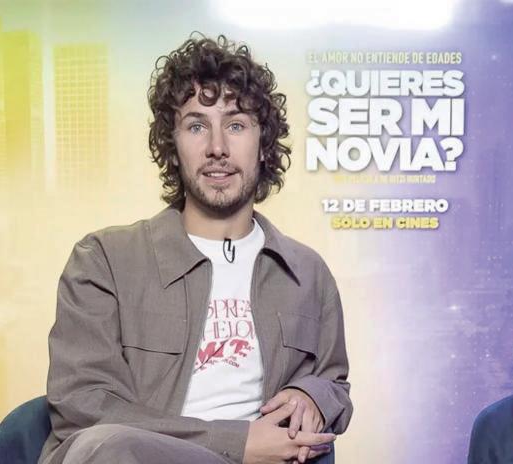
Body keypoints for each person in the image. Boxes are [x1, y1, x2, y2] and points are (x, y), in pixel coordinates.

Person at [39, 34, 352, 464]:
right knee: (109, 447)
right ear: (173, 145)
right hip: (133, 458)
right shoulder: (103, 260)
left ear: (263, 145)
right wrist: (236, 442)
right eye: (197, 126)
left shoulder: (307, 272)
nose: (217, 148)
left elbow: (335, 383)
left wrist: (312, 394)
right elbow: (85, 405)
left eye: (236, 125)